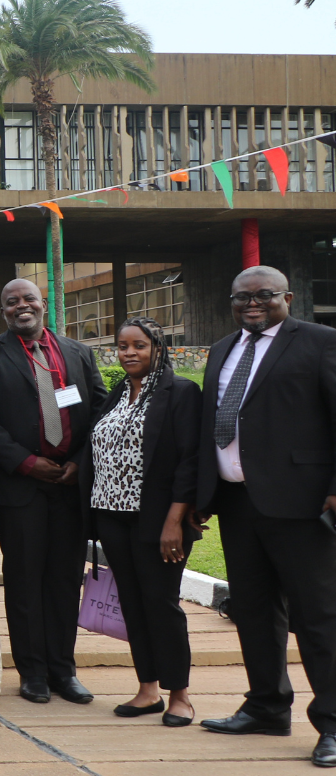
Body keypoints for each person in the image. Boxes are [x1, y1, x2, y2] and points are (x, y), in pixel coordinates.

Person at [185, 267, 336, 766]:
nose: (252, 304)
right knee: (253, 610)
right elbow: (216, 421)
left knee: (318, 618)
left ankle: (333, 724)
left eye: (264, 295)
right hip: (237, 502)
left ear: (287, 297)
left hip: (302, 504)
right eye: (241, 297)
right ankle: (267, 706)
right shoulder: (223, 348)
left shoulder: (319, 342)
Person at [0, 278, 106, 705]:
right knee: (24, 579)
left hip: (69, 484)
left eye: (28, 299)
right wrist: (25, 462)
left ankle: (64, 670)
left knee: (63, 579)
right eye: (12, 302)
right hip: (19, 487)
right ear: (3, 311)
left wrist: (79, 460)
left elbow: (98, 409)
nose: (21, 306)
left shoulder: (78, 353)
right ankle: (34, 673)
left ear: (43, 305)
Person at [89, 317, 201, 726]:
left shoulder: (181, 392)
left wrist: (175, 520)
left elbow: (190, 460)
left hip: (158, 519)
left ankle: (180, 695)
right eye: (122, 346)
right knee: (132, 604)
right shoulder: (118, 392)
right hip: (112, 516)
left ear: (157, 347)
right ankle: (148, 689)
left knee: (161, 604)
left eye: (139, 345)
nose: (130, 353)